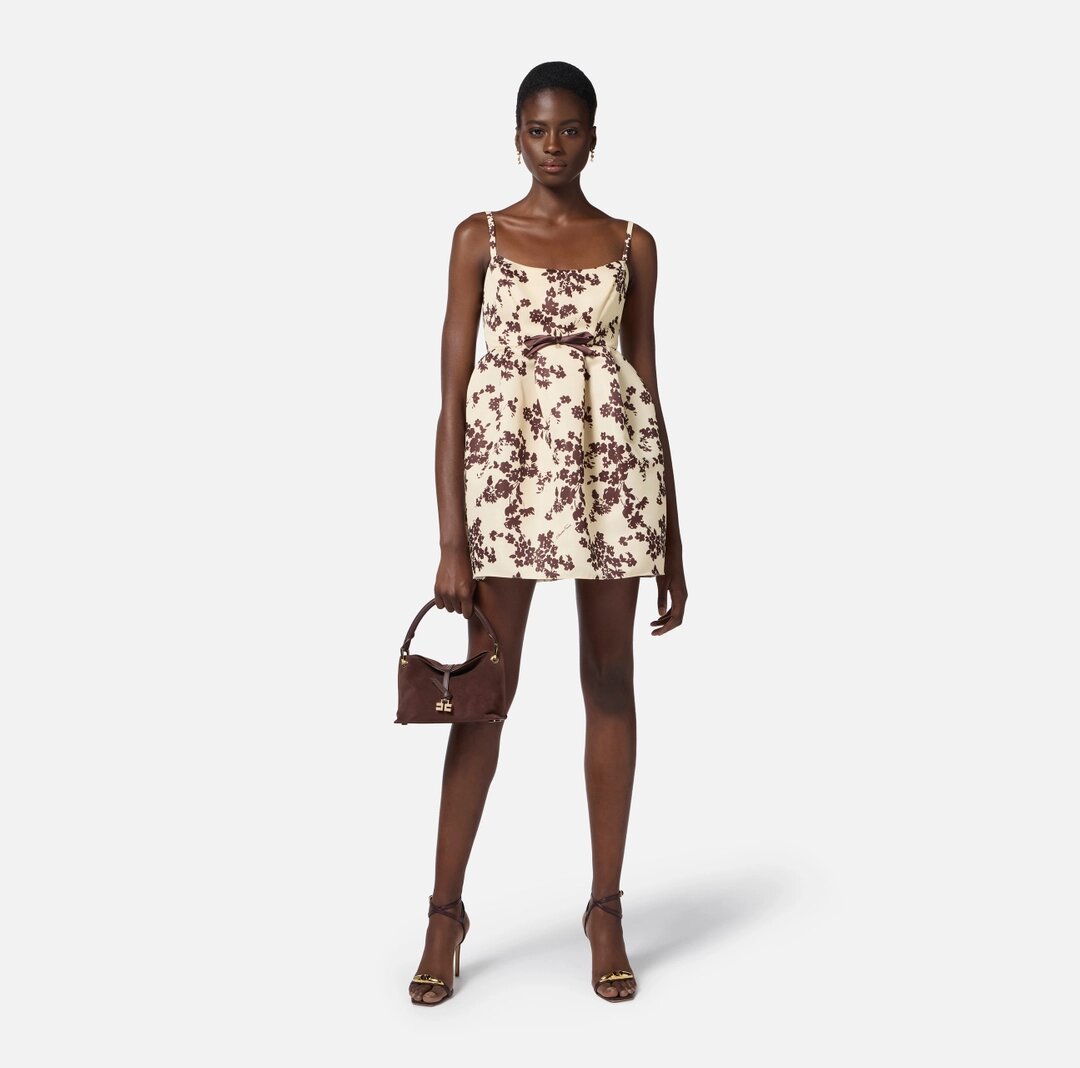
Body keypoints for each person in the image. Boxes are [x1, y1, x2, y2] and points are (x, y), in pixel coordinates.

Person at [409, 60, 688, 1006]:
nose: (554, 145)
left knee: (609, 682)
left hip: (614, 482)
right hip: (509, 485)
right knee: (485, 698)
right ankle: (444, 915)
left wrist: (674, 537)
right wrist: (452, 541)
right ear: (517, 136)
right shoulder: (479, 238)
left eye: (570, 129)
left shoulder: (633, 244)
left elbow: (647, 389)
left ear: (594, 136)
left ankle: (605, 909)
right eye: (539, 129)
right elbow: (451, 399)